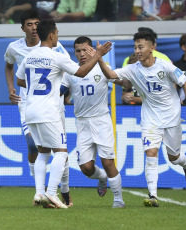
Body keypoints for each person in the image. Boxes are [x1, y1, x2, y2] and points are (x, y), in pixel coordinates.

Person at [89, 31, 186, 207]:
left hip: (172, 117)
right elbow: (111, 75)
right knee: (151, 152)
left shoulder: (165, 66)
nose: (137, 50)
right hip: (150, 119)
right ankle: (153, 195)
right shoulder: (133, 69)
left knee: (174, 157)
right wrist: (100, 58)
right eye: (135, 47)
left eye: (141, 47)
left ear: (152, 48)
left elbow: (184, 83)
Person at [16, 19, 112, 209]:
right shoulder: (56, 56)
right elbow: (81, 72)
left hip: (30, 111)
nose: (58, 36)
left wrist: (38, 86)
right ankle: (52, 193)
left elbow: (19, 80)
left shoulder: (30, 56)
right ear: (51, 35)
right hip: (48, 111)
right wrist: (98, 54)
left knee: (43, 152)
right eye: (57, 33)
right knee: (61, 152)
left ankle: (39, 193)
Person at [4, 10, 73, 207]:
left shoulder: (57, 48)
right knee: (36, 147)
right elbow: (9, 66)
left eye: (36, 23)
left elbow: (68, 74)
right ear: (22, 28)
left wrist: (59, 92)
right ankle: (41, 192)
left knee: (59, 151)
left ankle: (65, 190)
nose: (34, 27)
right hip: (28, 105)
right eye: (29, 24)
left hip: (53, 106)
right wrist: (11, 88)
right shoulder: (14, 48)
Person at [60, 36, 127, 208]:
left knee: (107, 161)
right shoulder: (71, 71)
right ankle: (102, 177)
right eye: (78, 51)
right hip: (82, 123)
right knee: (86, 168)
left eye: (85, 50)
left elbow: (123, 82)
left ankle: (118, 201)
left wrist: (131, 87)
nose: (81, 54)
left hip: (101, 120)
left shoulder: (103, 68)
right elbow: (59, 91)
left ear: (92, 50)